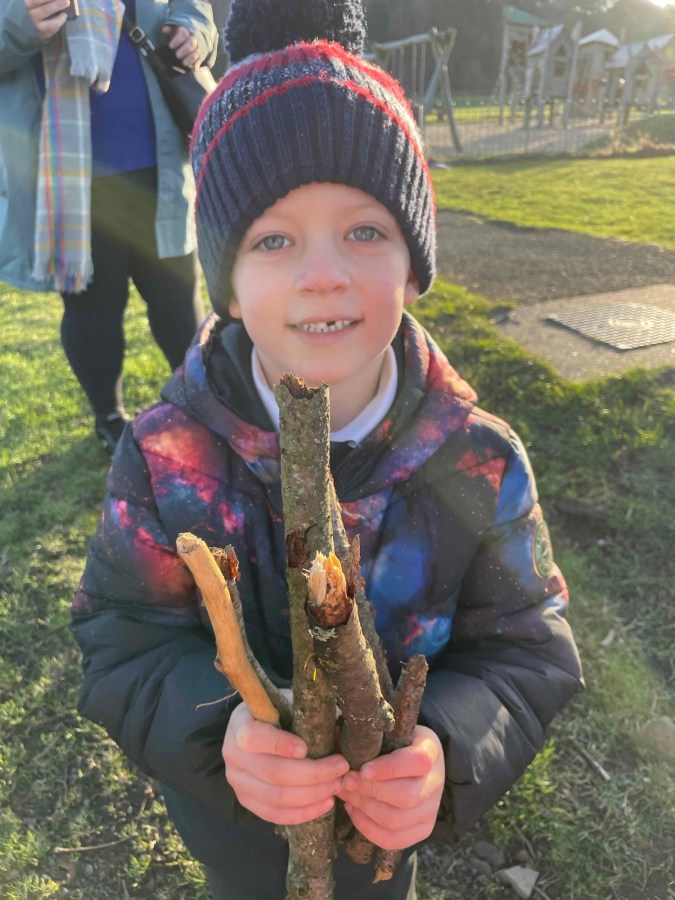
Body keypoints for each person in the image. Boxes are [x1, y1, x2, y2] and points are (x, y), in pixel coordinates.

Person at [70, 0, 584, 896]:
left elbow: (528, 649)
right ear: (227, 284)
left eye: (364, 231)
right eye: (273, 239)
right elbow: (122, 639)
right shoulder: (166, 453)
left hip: (383, 840)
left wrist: (445, 748)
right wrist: (220, 735)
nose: (323, 274)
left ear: (413, 265)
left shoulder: (479, 461)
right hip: (233, 819)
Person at [0, 0, 217, 453]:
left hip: (160, 163)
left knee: (178, 298)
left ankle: (205, 409)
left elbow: (193, 9)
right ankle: (111, 420)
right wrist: (18, 23)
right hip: (67, 179)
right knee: (92, 310)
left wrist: (195, 32)